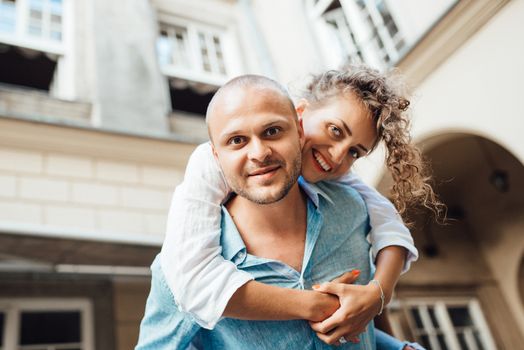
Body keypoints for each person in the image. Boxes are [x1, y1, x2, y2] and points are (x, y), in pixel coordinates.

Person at [137, 71, 439, 349]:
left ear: (296, 128)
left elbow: (363, 319)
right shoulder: (182, 264)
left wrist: (382, 307)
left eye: (272, 132)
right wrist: (316, 305)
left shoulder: (353, 208)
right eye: (237, 140)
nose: (258, 153)